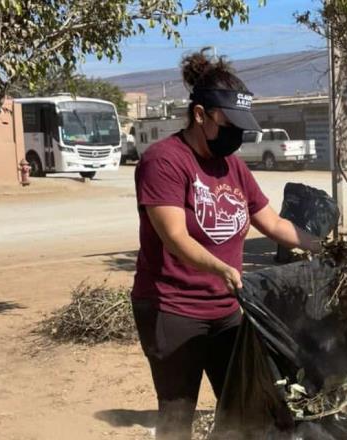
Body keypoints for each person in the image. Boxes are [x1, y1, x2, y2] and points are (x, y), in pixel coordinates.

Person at [130, 50, 321, 440]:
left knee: (242, 410)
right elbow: (174, 236)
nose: (237, 134)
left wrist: (323, 247)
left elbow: (272, 222)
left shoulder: (233, 166)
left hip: (228, 309)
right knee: (177, 413)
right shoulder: (163, 161)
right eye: (228, 124)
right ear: (200, 115)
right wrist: (219, 267)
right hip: (173, 310)